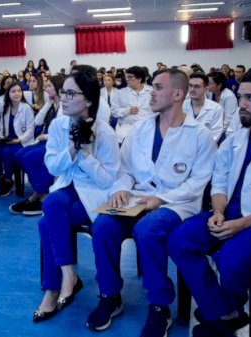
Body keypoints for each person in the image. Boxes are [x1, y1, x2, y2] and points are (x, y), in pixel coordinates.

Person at [168, 70, 251, 336]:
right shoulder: (234, 141)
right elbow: (219, 182)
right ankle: (224, 311)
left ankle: (220, 317)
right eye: (241, 97)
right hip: (226, 214)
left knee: (230, 258)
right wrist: (218, 211)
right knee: (179, 240)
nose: (242, 104)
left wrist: (242, 223)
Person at [87, 69, 216, 337]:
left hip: (176, 203)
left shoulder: (200, 135)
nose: (151, 93)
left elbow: (199, 181)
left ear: (177, 94)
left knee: (148, 229)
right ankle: (110, 295)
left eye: (158, 88)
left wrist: (161, 199)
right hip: (137, 198)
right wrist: (121, 189)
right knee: (103, 226)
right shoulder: (141, 128)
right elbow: (125, 169)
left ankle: (160, 306)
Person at [32, 68, 120, 323]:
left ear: (89, 100)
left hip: (93, 195)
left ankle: (53, 288)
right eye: (63, 93)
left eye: (71, 93)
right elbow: (52, 168)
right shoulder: (59, 126)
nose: (64, 98)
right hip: (65, 189)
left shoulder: (105, 133)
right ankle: (67, 274)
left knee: (46, 220)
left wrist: (84, 154)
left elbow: (108, 179)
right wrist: (72, 146)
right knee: (52, 202)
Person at [10, 75, 64, 216]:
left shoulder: (64, 106)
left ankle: (40, 194)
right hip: (46, 140)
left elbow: (61, 133)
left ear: (58, 88)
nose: (46, 88)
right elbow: (38, 121)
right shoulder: (53, 103)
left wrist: (45, 136)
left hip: (56, 143)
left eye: (49, 86)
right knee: (19, 155)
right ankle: (40, 191)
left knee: (30, 157)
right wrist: (48, 104)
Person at [0, 83, 35, 197]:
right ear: (8, 94)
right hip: (7, 139)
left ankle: (8, 180)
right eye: (13, 91)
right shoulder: (5, 108)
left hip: (21, 142)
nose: (17, 93)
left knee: (7, 152)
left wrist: (19, 140)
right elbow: (2, 129)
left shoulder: (26, 108)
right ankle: (1, 176)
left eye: (19, 91)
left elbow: (30, 130)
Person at [110, 66, 153, 143]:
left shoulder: (151, 92)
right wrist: (127, 110)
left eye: (130, 77)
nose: (127, 79)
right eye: (126, 77)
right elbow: (113, 111)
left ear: (139, 79)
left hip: (148, 129)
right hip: (127, 129)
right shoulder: (120, 93)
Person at [183, 73, 224, 142]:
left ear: (206, 89)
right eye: (190, 86)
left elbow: (215, 135)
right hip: (184, 147)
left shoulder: (216, 108)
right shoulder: (182, 105)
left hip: (205, 150)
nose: (192, 89)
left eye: (197, 86)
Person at [208, 72, 239, 138]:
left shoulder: (229, 96)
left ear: (219, 85)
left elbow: (228, 120)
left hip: (226, 130)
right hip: (214, 127)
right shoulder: (210, 93)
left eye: (210, 83)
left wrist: (216, 133)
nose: (207, 86)